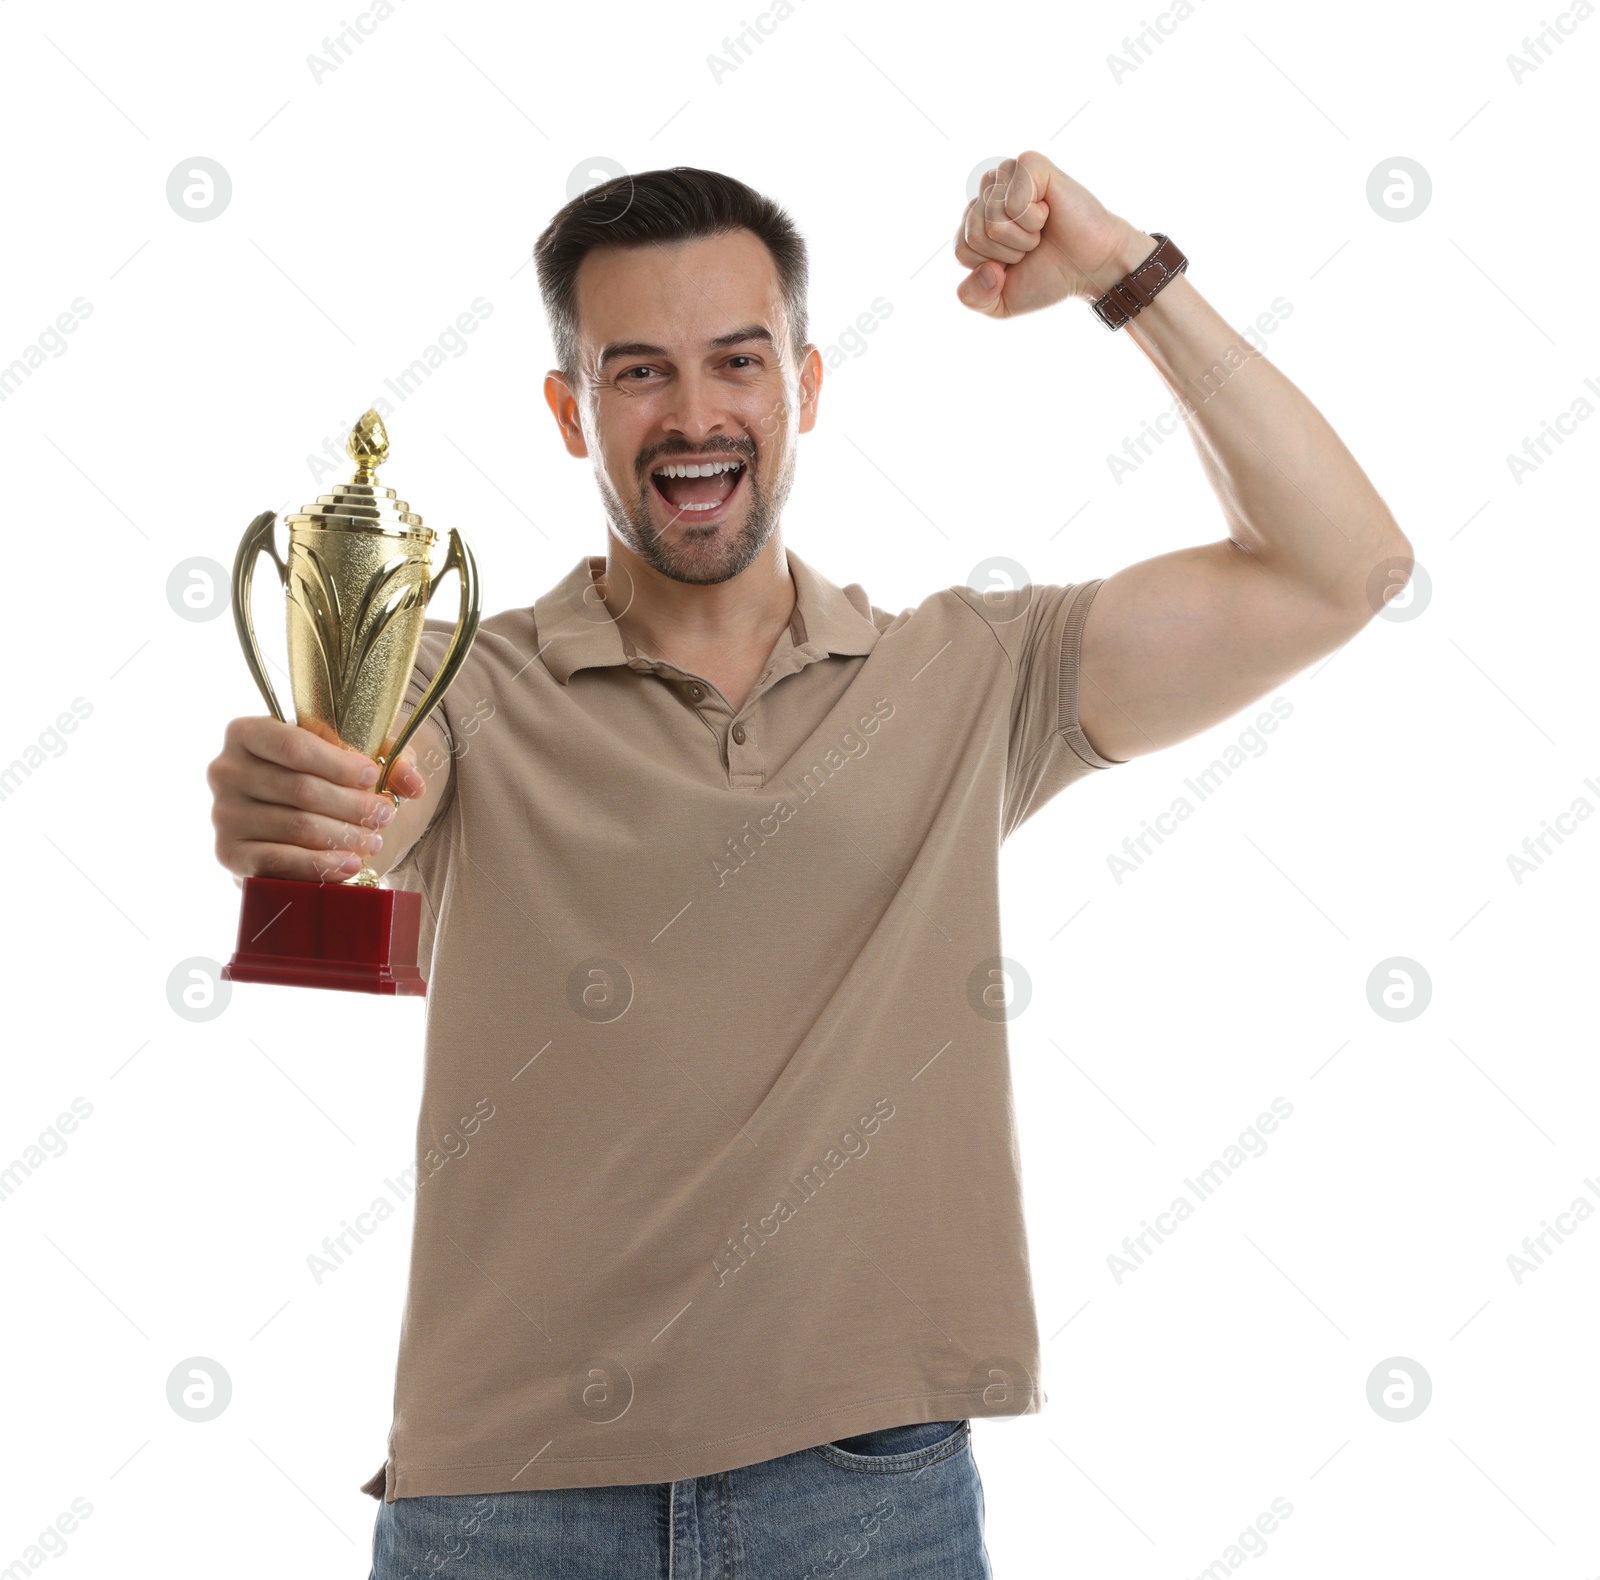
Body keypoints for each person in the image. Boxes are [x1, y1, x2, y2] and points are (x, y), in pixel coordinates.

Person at [206, 155, 1411, 1578]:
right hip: (507, 1502)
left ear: (808, 387)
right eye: (637, 372)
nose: (695, 414)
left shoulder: (967, 678)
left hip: (865, 1497)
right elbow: (373, 800)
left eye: (737, 362)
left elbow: (1345, 570)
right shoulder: (465, 689)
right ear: (568, 410)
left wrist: (1124, 276)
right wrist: (315, 802)